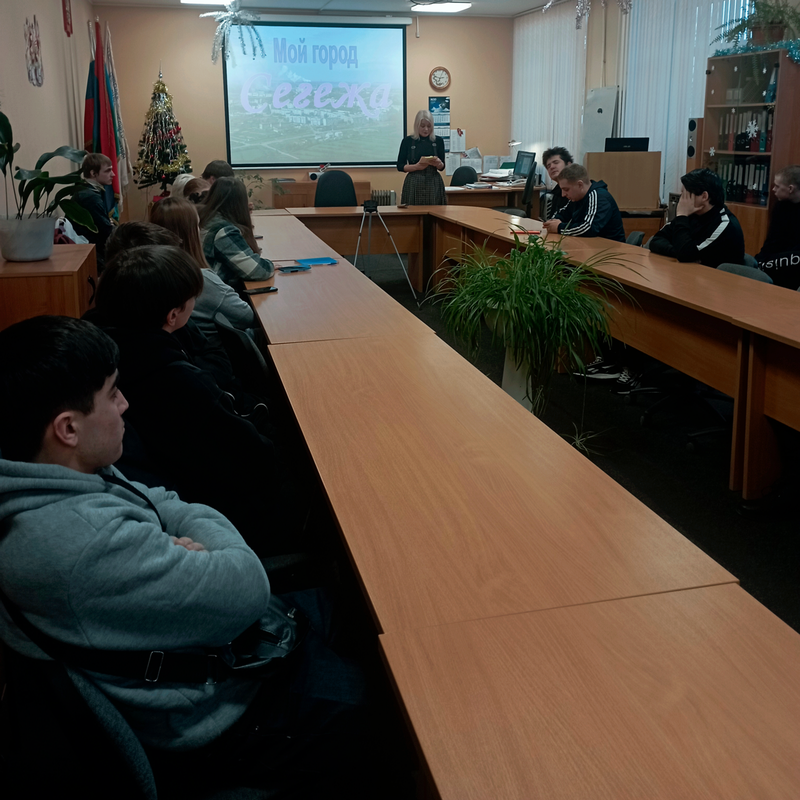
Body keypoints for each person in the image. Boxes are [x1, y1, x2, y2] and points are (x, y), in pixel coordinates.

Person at [0, 315, 385, 798]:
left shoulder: (52, 473)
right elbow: (246, 584)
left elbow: (161, 499)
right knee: (394, 704)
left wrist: (180, 541)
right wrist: (190, 541)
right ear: (68, 428)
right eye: (112, 394)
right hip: (222, 714)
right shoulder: (82, 541)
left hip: (210, 648)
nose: (125, 403)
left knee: (362, 606)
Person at [92, 245, 293, 555]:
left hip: (172, 492)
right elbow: (255, 458)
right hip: (222, 513)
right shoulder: (178, 380)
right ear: (173, 315)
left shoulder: (102, 354)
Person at [149, 197, 255, 341]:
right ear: (191, 233)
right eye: (198, 225)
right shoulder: (199, 278)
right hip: (213, 347)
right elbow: (246, 316)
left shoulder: (153, 271)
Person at [649, 168, 745, 268]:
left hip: (715, 276)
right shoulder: (693, 214)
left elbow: (684, 254)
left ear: (704, 196)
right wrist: (677, 251)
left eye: (685, 195)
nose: (681, 199)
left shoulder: (725, 225)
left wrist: (681, 215)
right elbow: (656, 241)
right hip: (690, 273)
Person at [199, 177, 274, 290]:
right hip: (218, 291)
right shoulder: (223, 230)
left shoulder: (206, 217)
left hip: (204, 288)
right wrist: (269, 265)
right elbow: (258, 271)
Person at [542, 163, 626, 242]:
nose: (563, 194)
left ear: (580, 185)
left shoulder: (599, 197)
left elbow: (589, 228)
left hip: (610, 248)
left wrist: (559, 227)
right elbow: (562, 214)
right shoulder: (576, 197)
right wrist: (552, 223)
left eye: (566, 189)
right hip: (590, 244)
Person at [755, 164, 800, 288]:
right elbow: (772, 239)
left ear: (790, 189)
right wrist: (759, 260)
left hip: (793, 262)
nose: (773, 189)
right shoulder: (780, 206)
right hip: (776, 260)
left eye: (777, 186)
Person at [72, 153, 116, 270]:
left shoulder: (85, 189)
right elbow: (106, 231)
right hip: (92, 252)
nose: (113, 174)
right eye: (108, 171)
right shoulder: (90, 197)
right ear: (93, 173)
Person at [396, 109, 446, 205]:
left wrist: (439, 163)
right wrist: (416, 167)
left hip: (433, 182)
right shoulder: (407, 141)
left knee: (435, 210)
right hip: (414, 182)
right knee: (413, 211)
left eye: (429, 126)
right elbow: (400, 166)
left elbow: (442, 167)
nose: (426, 129)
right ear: (417, 125)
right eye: (422, 126)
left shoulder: (438, 141)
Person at [541, 146, 574, 218]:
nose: (551, 167)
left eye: (556, 162)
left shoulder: (577, 190)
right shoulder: (556, 193)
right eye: (548, 166)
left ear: (569, 164)